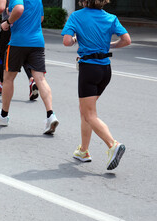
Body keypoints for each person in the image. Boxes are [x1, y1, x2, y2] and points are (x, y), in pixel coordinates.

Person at [61, 0, 131, 170]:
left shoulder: (77, 16)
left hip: (89, 69)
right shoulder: (111, 17)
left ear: (84, 1)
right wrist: (110, 44)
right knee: (86, 110)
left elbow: (66, 41)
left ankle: (113, 144)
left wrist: (76, 38)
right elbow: (127, 40)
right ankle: (83, 151)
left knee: (89, 113)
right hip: (105, 70)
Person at [0, 0, 59, 134]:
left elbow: (19, 9)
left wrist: (8, 22)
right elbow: (41, 18)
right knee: (41, 79)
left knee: (8, 78)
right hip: (37, 42)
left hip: (18, 42)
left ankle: (3, 115)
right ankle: (51, 115)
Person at [0, 0, 39, 101]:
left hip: (8, 25)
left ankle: (2, 85)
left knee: (2, 56)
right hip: (24, 25)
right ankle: (31, 79)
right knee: (23, 54)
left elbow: (1, 7)